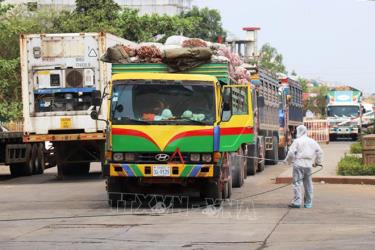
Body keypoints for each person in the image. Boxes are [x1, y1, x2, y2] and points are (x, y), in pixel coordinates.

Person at [285, 125, 323, 209]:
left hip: (298, 164)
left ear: (298, 131)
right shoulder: (312, 141)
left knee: (297, 183)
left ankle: (297, 202)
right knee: (308, 184)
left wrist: (288, 161)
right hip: (308, 165)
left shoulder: (297, 141)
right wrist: (317, 162)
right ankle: (308, 203)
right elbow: (320, 152)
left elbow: (291, 153)